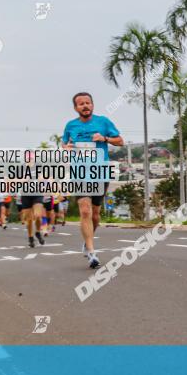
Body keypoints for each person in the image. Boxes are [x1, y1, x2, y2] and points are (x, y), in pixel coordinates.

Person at [62, 92, 123, 269]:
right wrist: (66, 147)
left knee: (95, 214)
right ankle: (91, 251)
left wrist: (104, 138)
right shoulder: (70, 125)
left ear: (93, 105)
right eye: (81, 104)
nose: (85, 106)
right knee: (85, 211)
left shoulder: (103, 122)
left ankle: (88, 240)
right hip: (80, 173)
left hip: (100, 172)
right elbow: (64, 144)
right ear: (75, 108)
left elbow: (120, 141)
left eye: (88, 103)